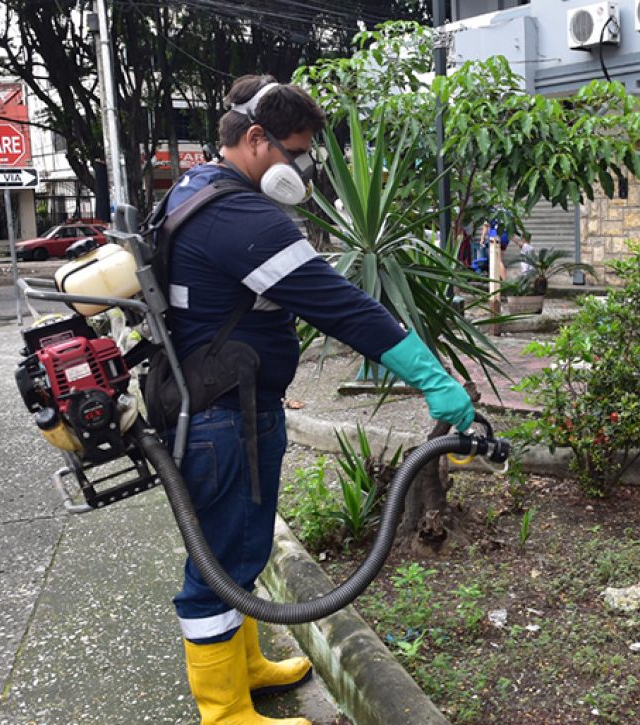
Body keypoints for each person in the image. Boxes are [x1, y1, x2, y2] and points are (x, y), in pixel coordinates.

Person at [161, 75, 475, 725]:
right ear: (254, 138)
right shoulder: (238, 216)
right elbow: (345, 309)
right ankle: (223, 712)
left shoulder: (197, 190)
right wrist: (434, 378)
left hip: (228, 402)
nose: (300, 168)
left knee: (239, 550)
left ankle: (244, 665)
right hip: (225, 413)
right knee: (218, 564)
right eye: (294, 152)